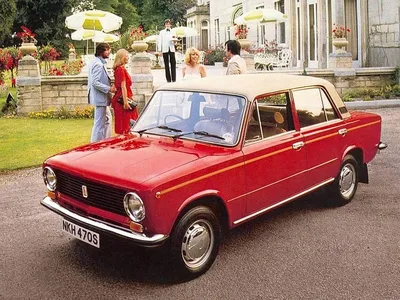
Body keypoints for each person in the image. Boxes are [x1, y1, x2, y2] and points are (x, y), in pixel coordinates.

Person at [88, 43, 115, 142]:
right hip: (100, 98)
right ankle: (95, 144)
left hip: (100, 98)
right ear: (101, 51)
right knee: (99, 123)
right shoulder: (98, 64)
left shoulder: (97, 62)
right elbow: (95, 82)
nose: (109, 52)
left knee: (107, 119)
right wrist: (109, 89)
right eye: (107, 50)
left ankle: (106, 141)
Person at [111, 49, 138, 134]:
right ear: (122, 57)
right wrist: (126, 102)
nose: (128, 58)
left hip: (122, 97)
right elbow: (123, 86)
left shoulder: (118, 69)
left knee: (126, 122)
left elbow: (117, 85)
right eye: (127, 56)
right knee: (127, 123)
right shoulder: (121, 69)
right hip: (123, 99)